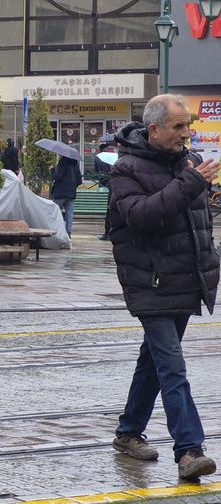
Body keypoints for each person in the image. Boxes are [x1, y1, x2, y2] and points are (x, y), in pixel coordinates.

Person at [109, 94, 220, 480]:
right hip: (150, 282)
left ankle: (127, 432)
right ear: (153, 129)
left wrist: (210, 265)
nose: (186, 133)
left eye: (188, 125)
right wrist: (191, 183)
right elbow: (141, 217)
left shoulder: (188, 164)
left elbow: (197, 226)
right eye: (178, 127)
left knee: (154, 363)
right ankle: (189, 450)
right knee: (173, 366)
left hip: (185, 281)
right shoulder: (126, 169)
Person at [50, 155, 81, 236]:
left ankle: (55, 231)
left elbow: (57, 177)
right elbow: (79, 180)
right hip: (71, 194)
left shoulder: (62, 162)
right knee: (69, 214)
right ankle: (68, 233)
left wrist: (52, 170)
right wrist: (72, 186)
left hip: (61, 192)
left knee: (54, 211)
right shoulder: (75, 163)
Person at [96, 142, 115, 241]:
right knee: (111, 213)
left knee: (110, 212)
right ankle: (109, 232)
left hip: (113, 192)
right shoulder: (114, 163)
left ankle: (108, 232)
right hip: (113, 192)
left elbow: (96, 170)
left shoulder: (100, 158)